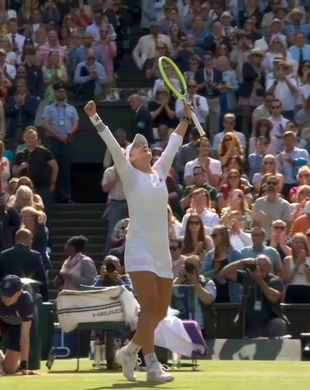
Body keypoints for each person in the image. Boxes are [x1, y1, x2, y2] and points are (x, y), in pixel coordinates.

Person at [83, 100, 190, 383]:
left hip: (161, 251)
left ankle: (130, 350)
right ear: (130, 157)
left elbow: (174, 143)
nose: (145, 147)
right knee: (151, 305)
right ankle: (152, 364)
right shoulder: (128, 174)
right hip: (139, 248)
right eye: (138, 146)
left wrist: (186, 118)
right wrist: (96, 119)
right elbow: (113, 145)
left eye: (146, 145)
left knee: (162, 311)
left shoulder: (158, 171)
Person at [0, 275, 38, 376]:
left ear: (19, 292)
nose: (5, 298)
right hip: (2, 322)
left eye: (9, 295)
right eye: (3, 294)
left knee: (8, 369)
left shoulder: (26, 301)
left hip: (19, 327)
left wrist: (24, 367)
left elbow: (24, 337)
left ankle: (14, 363)